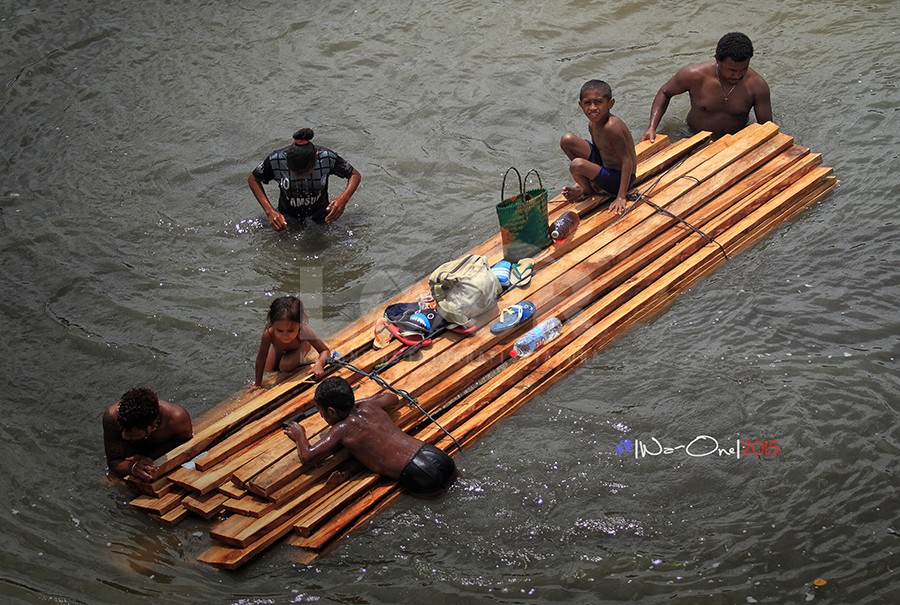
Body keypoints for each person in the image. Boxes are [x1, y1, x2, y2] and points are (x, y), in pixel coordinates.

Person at [284, 376, 458, 499]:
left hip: (417, 473)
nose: (322, 417)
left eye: (321, 413)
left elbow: (308, 456)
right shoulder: (369, 406)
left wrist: (300, 435)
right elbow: (392, 398)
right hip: (434, 454)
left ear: (331, 411)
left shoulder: (342, 429)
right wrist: (359, 403)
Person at [641, 32, 773, 142]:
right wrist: (652, 127)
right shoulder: (694, 76)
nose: (738, 75)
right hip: (692, 135)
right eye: (732, 70)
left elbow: (767, 127)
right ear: (717, 59)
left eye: (743, 69)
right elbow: (665, 92)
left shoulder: (757, 86)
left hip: (735, 140)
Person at [248, 127, 362, 231]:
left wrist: (343, 199)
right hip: (287, 217)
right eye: (296, 173)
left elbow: (354, 174)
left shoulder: (326, 158)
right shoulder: (276, 160)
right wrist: (270, 211)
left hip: (321, 216)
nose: (301, 177)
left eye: (305, 172)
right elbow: (253, 179)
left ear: (316, 162)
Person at [560, 79, 637, 215]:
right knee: (567, 140)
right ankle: (588, 186)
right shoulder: (592, 124)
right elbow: (599, 151)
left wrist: (621, 196)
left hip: (618, 179)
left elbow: (627, 161)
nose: (593, 108)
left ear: (610, 104)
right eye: (587, 103)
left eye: (598, 102)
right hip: (605, 167)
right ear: (581, 105)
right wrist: (589, 173)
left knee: (576, 165)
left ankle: (588, 191)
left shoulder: (612, 126)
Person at [102, 387, 193, 481]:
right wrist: (131, 467)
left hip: (158, 448)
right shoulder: (111, 417)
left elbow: (184, 442)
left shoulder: (177, 420)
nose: (124, 436)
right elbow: (113, 461)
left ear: (153, 426)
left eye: (131, 434)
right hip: (130, 456)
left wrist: (150, 457)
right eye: (123, 429)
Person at [252, 295, 330, 389]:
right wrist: (257, 384)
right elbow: (261, 358)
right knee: (268, 370)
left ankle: (306, 346)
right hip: (279, 349)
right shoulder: (268, 333)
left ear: (300, 323)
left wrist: (319, 364)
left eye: (291, 330)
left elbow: (324, 350)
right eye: (280, 331)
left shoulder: (303, 331)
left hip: (299, 347)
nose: (285, 335)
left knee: (285, 367)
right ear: (272, 324)